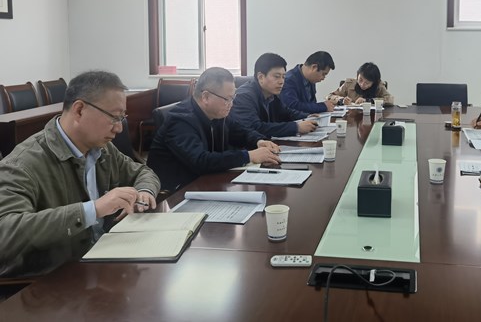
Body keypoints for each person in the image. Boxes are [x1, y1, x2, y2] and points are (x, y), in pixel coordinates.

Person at [0, 71, 161, 278]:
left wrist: (144, 191)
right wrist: (92, 210)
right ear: (79, 110)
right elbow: (6, 233)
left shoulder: (102, 149)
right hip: (53, 281)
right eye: (114, 117)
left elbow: (142, 172)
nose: (119, 128)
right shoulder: (22, 164)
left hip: (103, 263)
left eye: (122, 118)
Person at [148, 67, 282, 193]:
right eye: (227, 99)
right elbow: (200, 161)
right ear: (205, 97)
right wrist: (249, 156)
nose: (231, 104)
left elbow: (239, 130)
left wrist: (258, 141)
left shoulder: (216, 113)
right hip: (175, 192)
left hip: (205, 181)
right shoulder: (180, 120)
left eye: (233, 98)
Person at [230, 53, 318, 138]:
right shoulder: (244, 97)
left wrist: (306, 116)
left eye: (283, 77)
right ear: (261, 77)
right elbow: (256, 128)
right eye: (277, 76)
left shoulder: (272, 93)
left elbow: (286, 112)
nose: (281, 82)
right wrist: (296, 127)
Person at [326, 62, 392, 105]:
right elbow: (329, 96)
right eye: (360, 80)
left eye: (367, 83)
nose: (362, 84)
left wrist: (368, 101)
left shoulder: (378, 86)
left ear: (373, 82)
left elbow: (390, 99)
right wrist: (341, 100)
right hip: (351, 117)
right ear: (357, 75)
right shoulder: (349, 84)